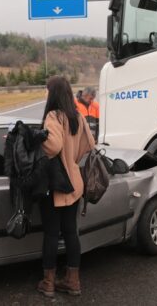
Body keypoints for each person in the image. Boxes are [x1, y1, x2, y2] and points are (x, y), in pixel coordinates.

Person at [37, 76, 95, 297]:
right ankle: (73, 281)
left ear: (53, 93)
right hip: (74, 182)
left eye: (47, 90)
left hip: (55, 184)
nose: (45, 93)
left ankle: (48, 282)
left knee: (52, 234)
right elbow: (90, 143)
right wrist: (71, 160)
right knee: (71, 232)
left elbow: (52, 146)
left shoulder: (53, 115)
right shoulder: (77, 116)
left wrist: (35, 141)